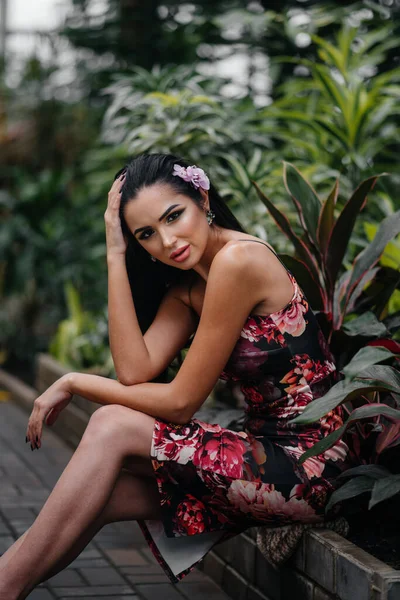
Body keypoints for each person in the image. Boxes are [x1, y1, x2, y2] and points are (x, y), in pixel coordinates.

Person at [0, 153, 349, 598]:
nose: (167, 241)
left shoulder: (239, 261)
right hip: (266, 455)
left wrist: (73, 381)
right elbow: (133, 371)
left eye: (173, 216)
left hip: (313, 466)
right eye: (147, 234)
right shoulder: (188, 290)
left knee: (110, 424)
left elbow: (180, 402)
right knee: (93, 499)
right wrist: (114, 252)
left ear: (201, 197)